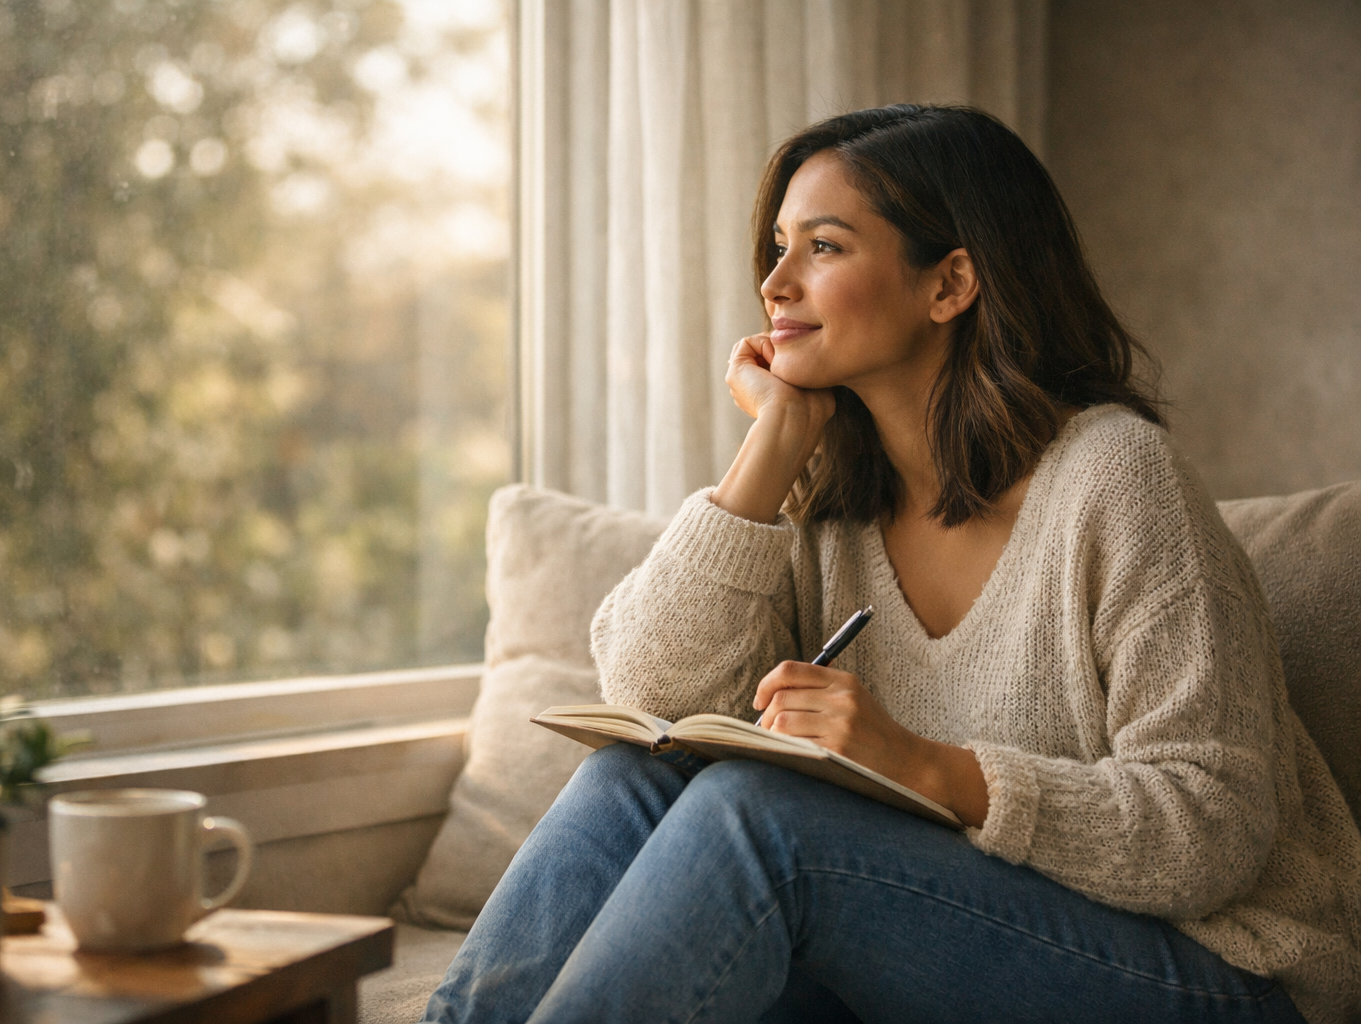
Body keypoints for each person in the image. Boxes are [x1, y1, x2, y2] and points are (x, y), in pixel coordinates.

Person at [421, 105, 1361, 1024]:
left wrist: (924, 768)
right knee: (637, 777)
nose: (776, 284)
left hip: (1213, 971)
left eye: (823, 248)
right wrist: (777, 439)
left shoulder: (1116, 477)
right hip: (941, 933)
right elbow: (650, 690)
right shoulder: (831, 495)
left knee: (763, 821)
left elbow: (1213, 827)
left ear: (950, 284)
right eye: (778, 247)